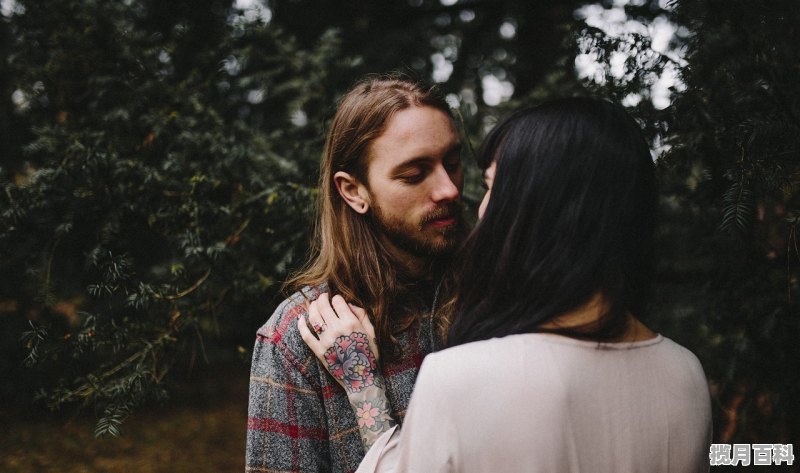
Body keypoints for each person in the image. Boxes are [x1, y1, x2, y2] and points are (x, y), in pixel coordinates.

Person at [301, 97, 713, 472]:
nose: (472, 203)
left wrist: (364, 390)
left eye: (494, 187)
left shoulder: (460, 378)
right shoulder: (686, 373)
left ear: (536, 209)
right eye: (414, 174)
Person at [245, 75, 467, 472]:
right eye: (414, 175)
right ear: (354, 191)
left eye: (452, 163)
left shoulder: (500, 291)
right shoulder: (296, 337)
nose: (448, 189)